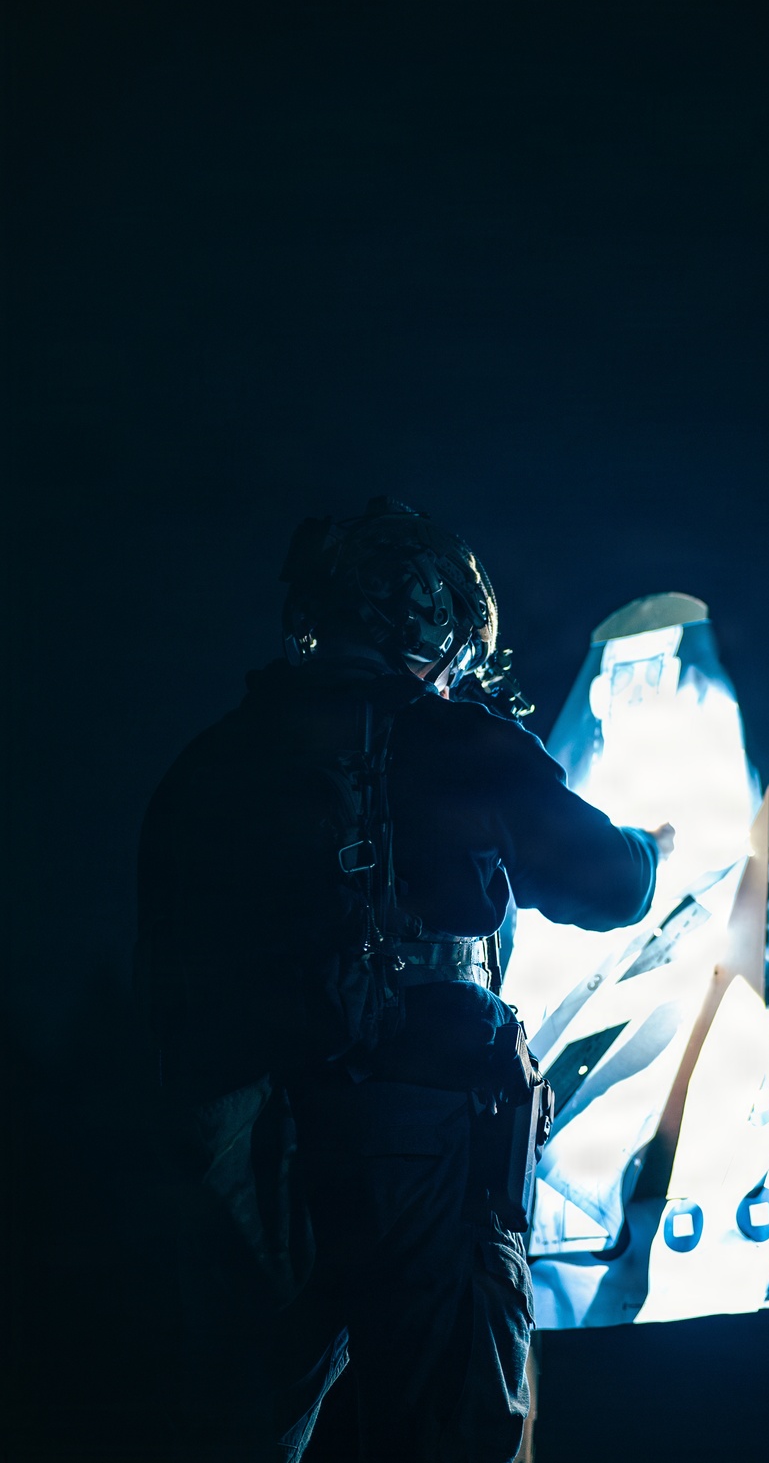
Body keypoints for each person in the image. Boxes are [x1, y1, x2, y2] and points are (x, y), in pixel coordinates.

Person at [135, 497, 675, 1462]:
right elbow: (611, 883)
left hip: (243, 1153)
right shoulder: (450, 738)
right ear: (424, 614)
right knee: (453, 1422)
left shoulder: (209, 762)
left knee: (236, 1423)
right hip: (416, 1137)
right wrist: (654, 843)